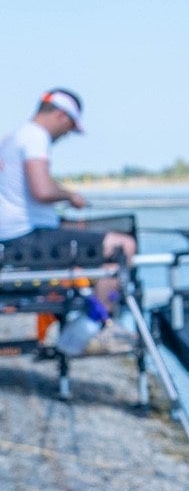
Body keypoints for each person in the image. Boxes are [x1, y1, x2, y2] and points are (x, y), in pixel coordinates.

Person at [0, 89, 137, 351]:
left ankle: (90, 316)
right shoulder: (35, 137)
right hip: (26, 239)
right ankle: (93, 326)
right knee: (124, 245)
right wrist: (70, 196)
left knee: (87, 235)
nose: (66, 135)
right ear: (61, 116)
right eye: (70, 127)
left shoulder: (11, 138)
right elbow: (42, 191)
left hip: (14, 236)